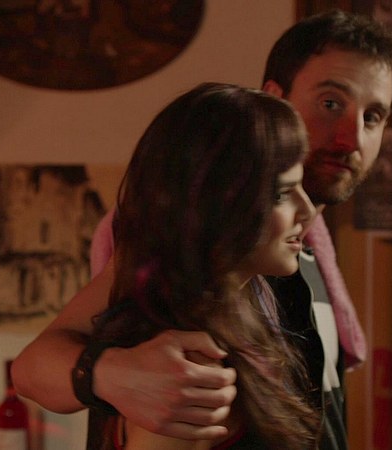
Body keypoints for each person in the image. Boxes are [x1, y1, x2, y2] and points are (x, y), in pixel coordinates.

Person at [13, 8, 392, 450]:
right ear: (275, 97)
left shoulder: (306, 246)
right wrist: (112, 374)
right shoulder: (180, 239)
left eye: (373, 117)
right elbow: (33, 367)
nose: (351, 138)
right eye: (331, 104)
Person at [89, 82, 318, 449]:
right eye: (280, 194)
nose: (307, 211)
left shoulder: (235, 318)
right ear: (217, 205)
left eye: (301, 186)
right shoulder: (188, 370)